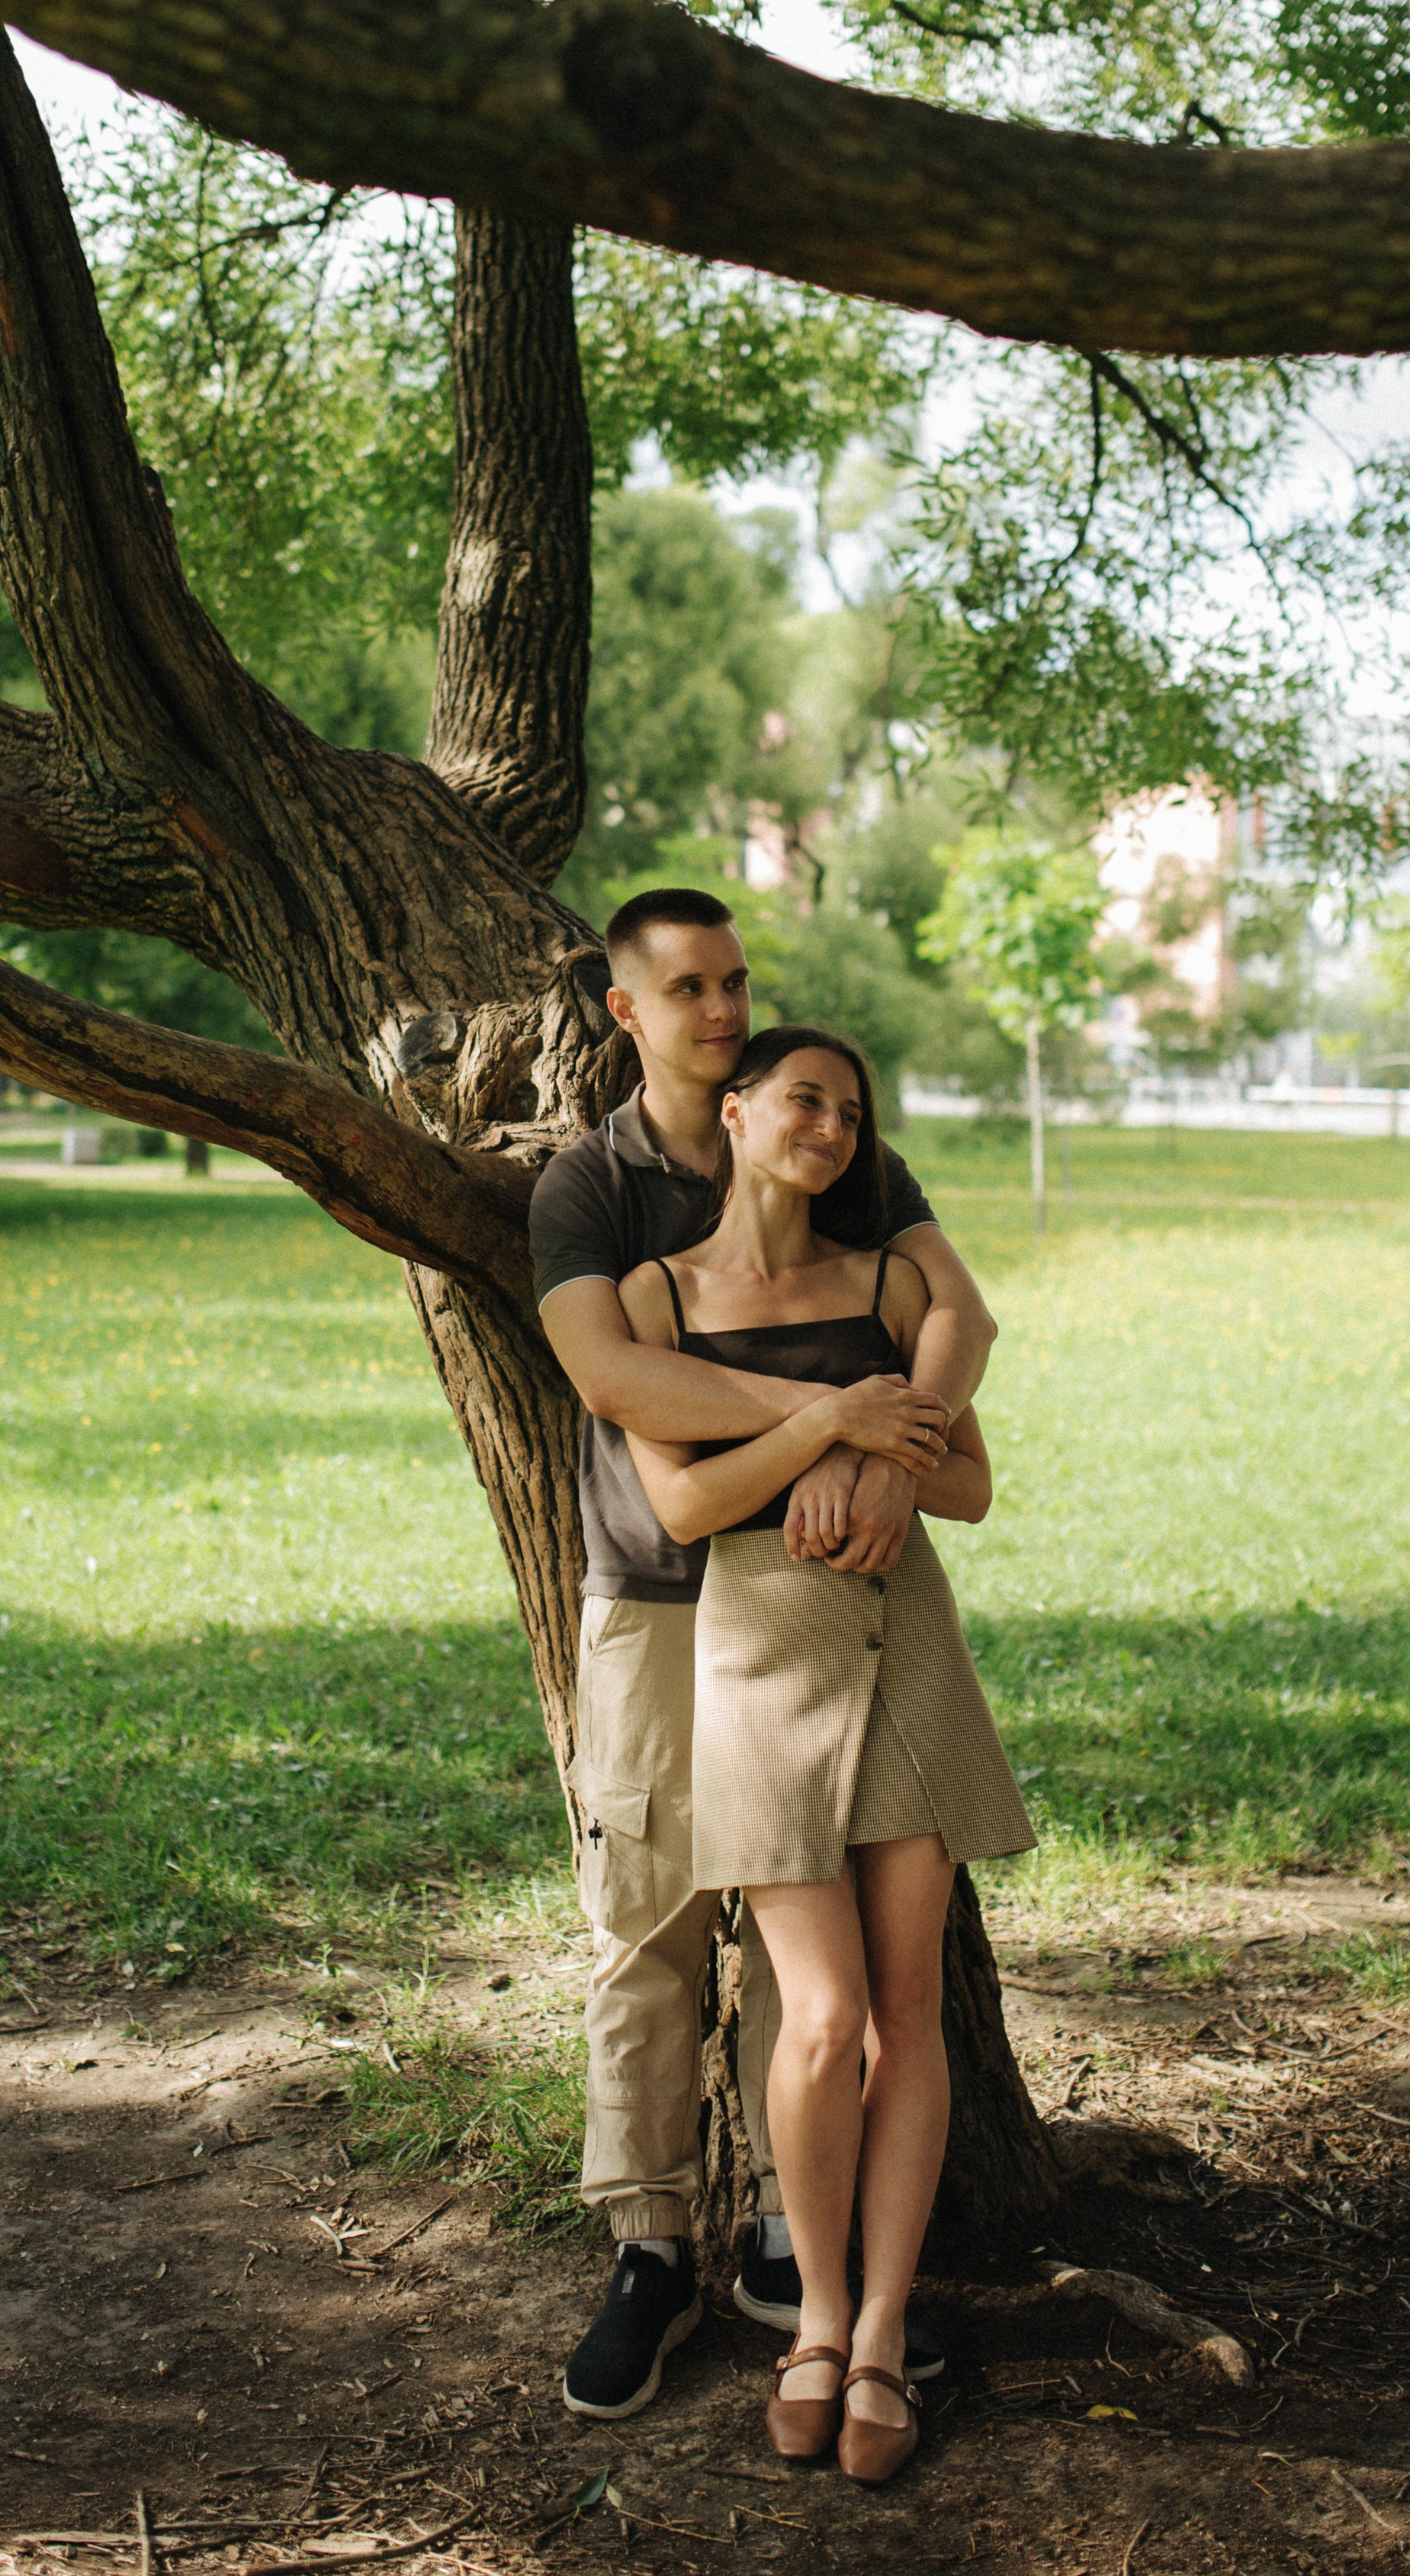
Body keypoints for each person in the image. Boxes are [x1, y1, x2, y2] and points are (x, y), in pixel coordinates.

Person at [530, 888, 998, 2420]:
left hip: (845, 1602)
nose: (722, 1003)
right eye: (689, 986)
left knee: (824, 1968)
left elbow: (953, 1320)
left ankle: (806, 2257)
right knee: (652, 1916)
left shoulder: (837, 1144)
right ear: (629, 1010)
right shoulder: (591, 1187)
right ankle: (651, 2242)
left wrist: (889, 1445)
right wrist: (826, 1422)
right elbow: (611, 1371)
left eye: (734, 979)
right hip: (655, 1592)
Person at [618, 1022, 1034, 2483]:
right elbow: (680, 1509)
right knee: (816, 2019)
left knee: (906, 2017)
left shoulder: (895, 1285)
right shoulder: (653, 1295)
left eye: (854, 1113)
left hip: (900, 1638)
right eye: (806, 1100)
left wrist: (887, 1464)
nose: (833, 1128)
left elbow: (972, 1484)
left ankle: (876, 2339)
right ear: (733, 1115)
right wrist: (828, 1429)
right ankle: (813, 2319)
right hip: (756, 1651)